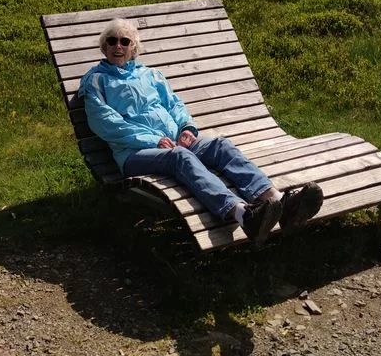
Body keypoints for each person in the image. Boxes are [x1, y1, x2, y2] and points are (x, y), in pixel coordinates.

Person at [79, 18, 324, 247]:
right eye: (112, 41)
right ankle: (243, 215)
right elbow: (106, 124)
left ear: (134, 48)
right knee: (180, 157)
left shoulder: (151, 75)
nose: (118, 46)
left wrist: (186, 127)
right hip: (136, 153)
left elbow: (174, 104)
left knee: (220, 146)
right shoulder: (97, 81)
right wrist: (153, 139)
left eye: (125, 41)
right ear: (104, 48)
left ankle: (279, 201)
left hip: (174, 141)